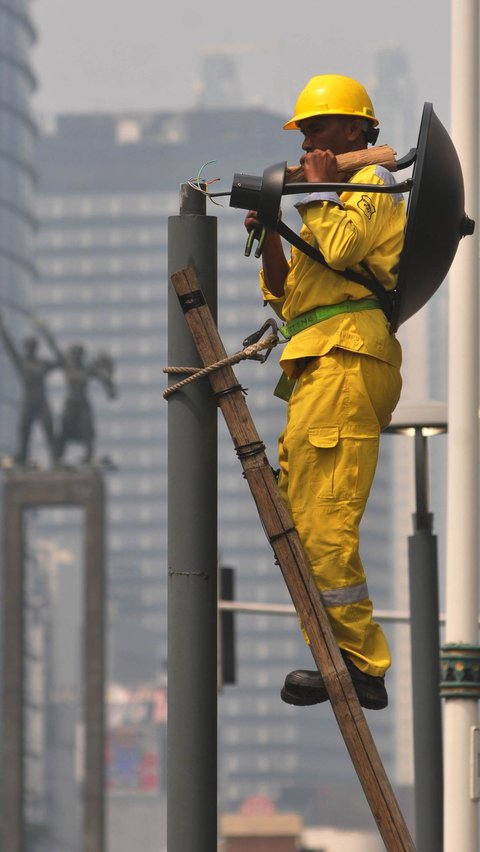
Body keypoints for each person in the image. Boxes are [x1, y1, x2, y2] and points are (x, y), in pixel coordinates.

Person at [244, 75, 406, 710]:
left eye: (318, 127)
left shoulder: (371, 183)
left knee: (324, 523)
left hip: (347, 354)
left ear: (355, 129)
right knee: (301, 519)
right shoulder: (326, 196)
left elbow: (343, 246)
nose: (308, 139)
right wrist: (276, 228)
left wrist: (312, 188)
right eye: (305, 131)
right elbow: (285, 298)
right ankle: (339, 658)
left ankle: (363, 663)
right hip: (316, 359)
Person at [0, 311, 59, 464]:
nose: (30, 349)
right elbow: (9, 346)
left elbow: (60, 360)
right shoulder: (22, 363)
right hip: (28, 401)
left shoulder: (43, 364)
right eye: (28, 346)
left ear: (35, 348)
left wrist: (45, 332)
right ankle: (22, 458)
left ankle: (56, 458)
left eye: (32, 346)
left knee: (49, 431)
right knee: (24, 431)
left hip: (42, 401)